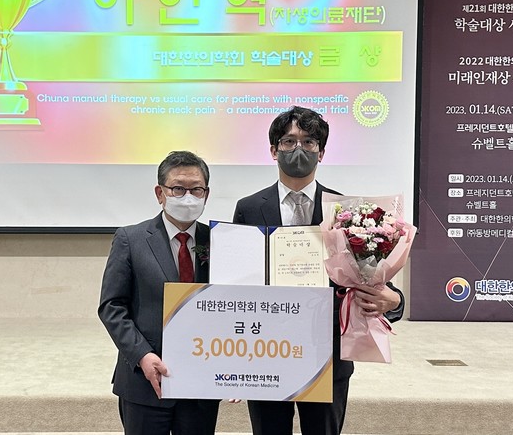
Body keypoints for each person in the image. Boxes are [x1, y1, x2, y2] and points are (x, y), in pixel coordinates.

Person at [233, 106, 404, 435]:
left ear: (321, 152)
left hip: (327, 354)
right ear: (273, 150)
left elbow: (377, 278)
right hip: (267, 352)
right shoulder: (249, 208)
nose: (298, 149)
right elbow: (238, 280)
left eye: (309, 142)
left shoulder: (347, 211)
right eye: (288, 141)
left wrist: (393, 301)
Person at [98, 150, 220, 435]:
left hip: (201, 382)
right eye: (178, 188)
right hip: (144, 380)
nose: (187, 197)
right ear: (160, 193)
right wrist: (142, 355)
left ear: (206, 194)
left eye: (196, 189)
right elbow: (111, 307)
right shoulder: (131, 239)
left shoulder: (220, 241)